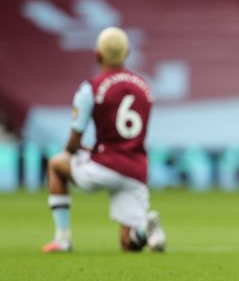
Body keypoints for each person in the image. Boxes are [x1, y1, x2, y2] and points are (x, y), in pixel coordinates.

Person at [43, 27, 166, 253]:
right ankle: (144, 230)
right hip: (135, 171)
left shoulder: (91, 88)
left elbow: (74, 140)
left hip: (104, 166)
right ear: (127, 53)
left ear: (97, 54)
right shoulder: (145, 87)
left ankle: (62, 239)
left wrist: (73, 151)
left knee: (56, 165)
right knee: (129, 244)